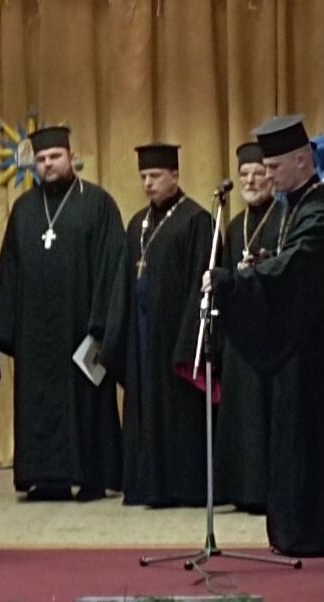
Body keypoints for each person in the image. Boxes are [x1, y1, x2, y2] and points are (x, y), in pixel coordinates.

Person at [203, 115, 324, 556]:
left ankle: (307, 532)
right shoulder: (298, 205)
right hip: (300, 349)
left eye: (273, 167)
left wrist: (234, 281)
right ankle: (294, 530)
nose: (267, 175)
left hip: (314, 354)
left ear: (301, 160)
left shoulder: (318, 208)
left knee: (306, 440)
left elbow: (299, 265)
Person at [0, 126, 124, 501]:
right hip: (34, 333)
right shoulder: (23, 209)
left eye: (55, 157)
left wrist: (101, 325)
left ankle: (92, 478)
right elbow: (9, 269)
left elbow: (111, 267)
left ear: (71, 157)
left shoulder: (97, 204)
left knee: (85, 402)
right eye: (41, 159)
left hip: (81, 329)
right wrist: (7, 329)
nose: (48, 164)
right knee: (38, 403)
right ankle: (45, 478)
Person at [114, 143, 212, 507]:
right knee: (143, 405)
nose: (148, 183)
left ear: (175, 175)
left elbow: (200, 280)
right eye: (143, 176)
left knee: (175, 410)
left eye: (155, 176)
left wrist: (189, 338)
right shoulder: (137, 223)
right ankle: (146, 485)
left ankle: (179, 486)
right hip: (141, 332)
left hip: (175, 334)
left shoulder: (196, 220)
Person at [213, 142, 282, 514]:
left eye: (258, 173)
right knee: (241, 414)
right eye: (244, 174)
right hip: (239, 336)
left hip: (272, 334)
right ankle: (242, 488)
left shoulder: (285, 218)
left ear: (271, 176)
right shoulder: (234, 224)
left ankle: (269, 490)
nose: (251, 181)